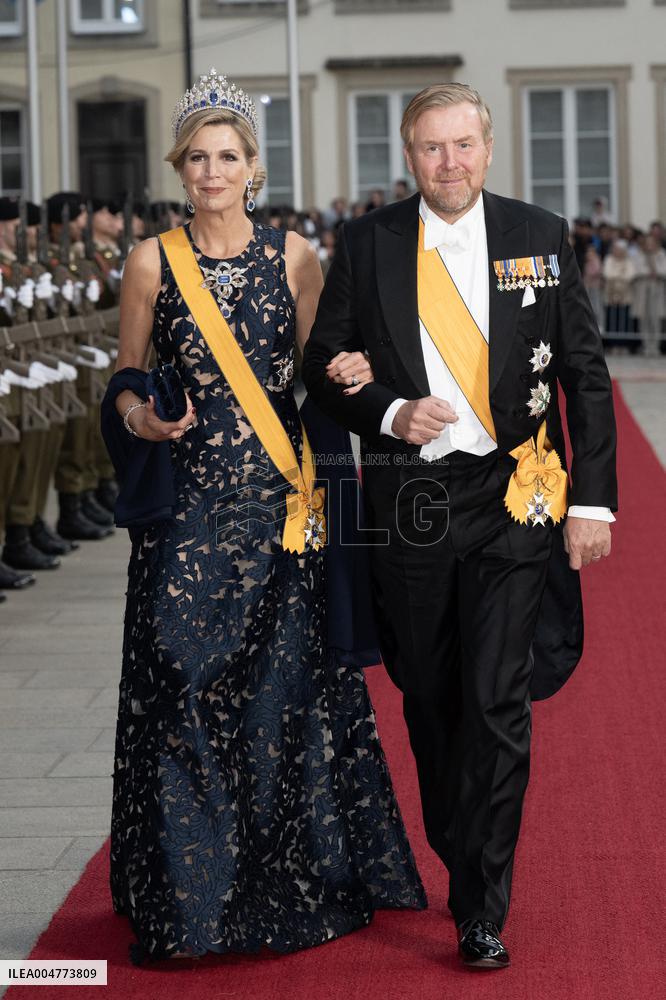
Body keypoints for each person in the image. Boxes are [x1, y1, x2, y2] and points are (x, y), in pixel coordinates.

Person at [103, 68, 425, 963]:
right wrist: (142, 418)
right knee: (179, 681)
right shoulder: (149, 262)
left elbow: (322, 370)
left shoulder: (294, 257)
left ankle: (276, 876)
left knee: (277, 699)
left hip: (283, 509)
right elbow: (125, 380)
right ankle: (186, 894)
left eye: (228, 157)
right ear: (182, 168)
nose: (212, 172)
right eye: (198, 158)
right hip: (190, 513)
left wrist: (362, 393)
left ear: (254, 167)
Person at [303, 83, 617, 970]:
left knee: (496, 700)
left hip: (516, 494)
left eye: (464, 145)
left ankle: (483, 904)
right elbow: (323, 367)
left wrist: (592, 502)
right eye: (432, 149)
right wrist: (390, 407)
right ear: (409, 156)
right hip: (412, 498)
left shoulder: (538, 236)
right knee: (433, 699)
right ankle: (457, 847)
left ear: (488, 146)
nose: (451, 164)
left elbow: (585, 375)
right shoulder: (367, 244)